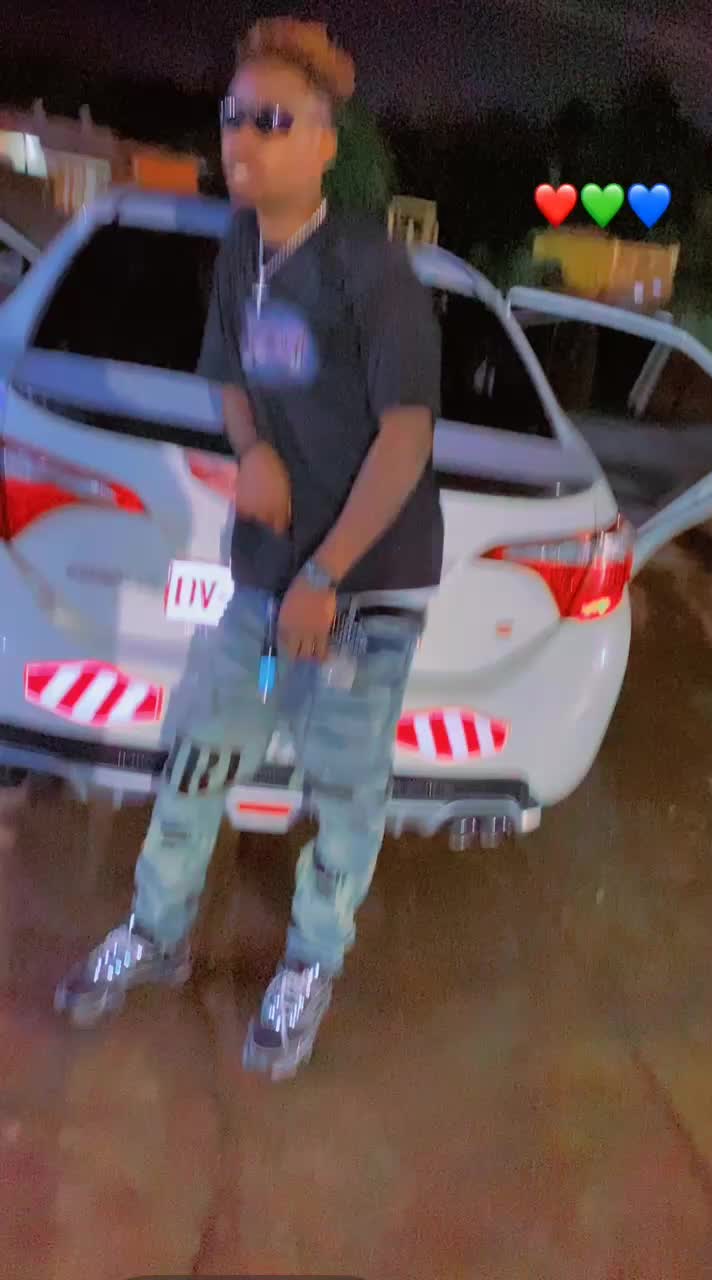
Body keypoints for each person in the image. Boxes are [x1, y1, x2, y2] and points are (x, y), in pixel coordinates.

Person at [55, 16, 444, 1081]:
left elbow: (407, 440)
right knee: (199, 758)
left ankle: (313, 961)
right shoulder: (240, 251)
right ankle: (159, 931)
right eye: (234, 115)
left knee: (344, 799)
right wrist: (253, 448)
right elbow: (228, 373)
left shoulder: (371, 268)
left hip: (356, 605)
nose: (243, 136)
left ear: (324, 144)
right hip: (264, 594)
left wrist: (325, 576)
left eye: (274, 120)